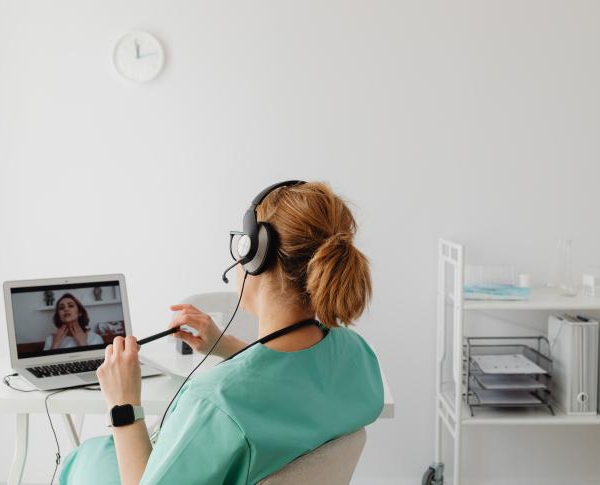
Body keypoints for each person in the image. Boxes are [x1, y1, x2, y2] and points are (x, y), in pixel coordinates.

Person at [59, 181, 383, 485]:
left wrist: (123, 403)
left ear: (258, 256)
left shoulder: (215, 404)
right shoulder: (356, 354)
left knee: (80, 459)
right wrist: (228, 347)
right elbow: (292, 387)